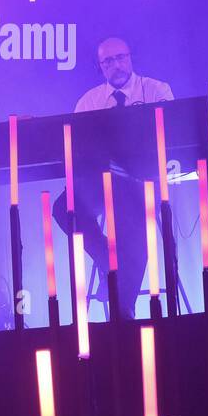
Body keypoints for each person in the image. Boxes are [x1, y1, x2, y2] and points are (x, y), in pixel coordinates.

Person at [54, 37, 174, 317]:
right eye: (108, 61)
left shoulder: (157, 90)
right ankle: (108, 256)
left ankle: (124, 308)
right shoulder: (89, 101)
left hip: (142, 181)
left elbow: (170, 136)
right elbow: (77, 150)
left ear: (131, 58)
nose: (116, 65)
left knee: (130, 213)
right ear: (100, 67)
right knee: (63, 206)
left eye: (121, 57)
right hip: (100, 184)